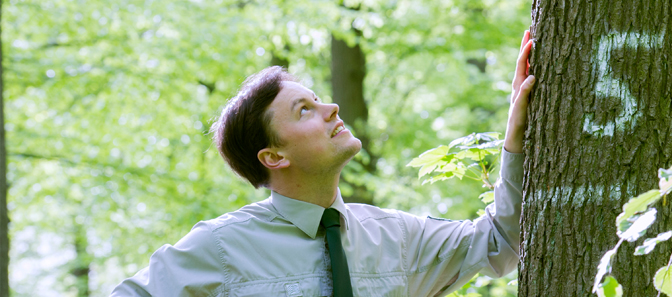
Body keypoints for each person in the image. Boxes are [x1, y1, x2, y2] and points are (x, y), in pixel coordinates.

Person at [111, 30, 536, 297]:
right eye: (304, 110)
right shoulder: (220, 248)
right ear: (274, 156)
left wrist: (516, 139)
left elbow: (501, 241)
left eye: (319, 99)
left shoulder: (398, 238)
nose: (331, 107)